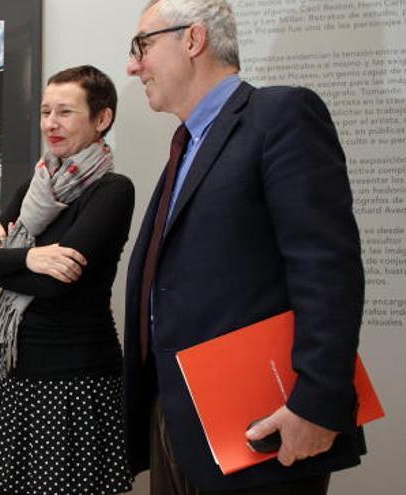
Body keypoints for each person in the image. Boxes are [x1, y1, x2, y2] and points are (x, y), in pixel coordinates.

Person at [123, 1, 365, 493]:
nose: (133, 65)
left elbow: (327, 269)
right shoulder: (186, 145)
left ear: (192, 40)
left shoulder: (280, 115)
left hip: (262, 430)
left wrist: (317, 402)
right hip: (178, 421)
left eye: (142, 46)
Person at [0, 65, 135, 495]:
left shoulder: (113, 190)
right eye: (46, 111)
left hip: (76, 382)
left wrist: (9, 261)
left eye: (65, 111)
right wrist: (34, 256)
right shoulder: (35, 186)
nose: (51, 123)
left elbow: (58, 285)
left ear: (102, 119)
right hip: (18, 376)